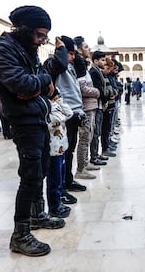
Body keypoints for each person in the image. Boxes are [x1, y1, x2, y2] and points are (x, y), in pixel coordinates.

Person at [0, 5, 65, 257]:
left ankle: (37, 214)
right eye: (40, 35)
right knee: (30, 175)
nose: (42, 41)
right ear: (24, 29)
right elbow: (22, 83)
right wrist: (42, 83)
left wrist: (39, 84)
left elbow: (40, 79)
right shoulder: (2, 49)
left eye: (45, 37)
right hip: (23, 121)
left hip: (37, 117)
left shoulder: (27, 49)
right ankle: (20, 235)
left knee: (40, 170)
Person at [44, 35, 88, 193]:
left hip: (74, 112)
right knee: (62, 153)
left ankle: (68, 181)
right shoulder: (53, 64)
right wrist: (61, 49)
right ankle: (61, 187)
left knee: (70, 151)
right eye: (70, 53)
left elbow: (82, 69)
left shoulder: (71, 66)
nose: (73, 57)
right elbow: (60, 64)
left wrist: (77, 51)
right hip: (63, 114)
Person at [73, 36, 101, 180]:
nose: (89, 50)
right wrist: (97, 92)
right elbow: (83, 88)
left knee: (89, 136)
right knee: (84, 137)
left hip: (91, 106)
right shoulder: (79, 66)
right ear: (78, 50)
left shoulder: (83, 65)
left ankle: (85, 163)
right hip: (86, 107)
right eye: (86, 47)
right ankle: (80, 169)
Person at [46, 88, 73, 218]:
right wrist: (55, 104)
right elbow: (55, 120)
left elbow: (69, 113)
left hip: (61, 147)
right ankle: (54, 206)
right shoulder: (46, 106)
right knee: (54, 180)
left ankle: (59, 201)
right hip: (53, 150)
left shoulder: (56, 105)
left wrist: (60, 101)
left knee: (60, 177)